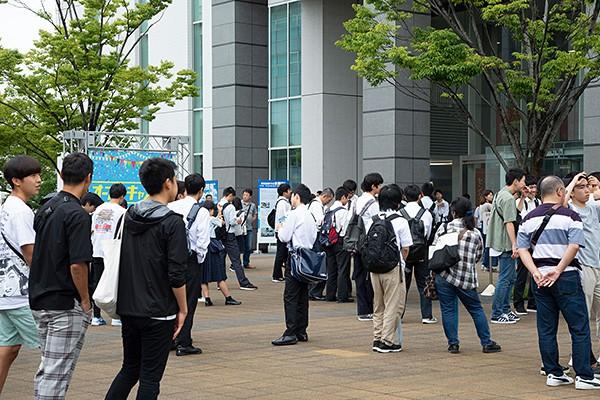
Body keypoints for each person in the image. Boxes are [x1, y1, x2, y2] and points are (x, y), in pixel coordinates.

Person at [105, 158, 188, 399]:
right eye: (174, 179)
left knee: (129, 369)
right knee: (150, 377)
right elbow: (176, 273)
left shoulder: (129, 215)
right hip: (158, 310)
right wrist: (183, 309)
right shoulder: (172, 223)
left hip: (129, 307)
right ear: (167, 183)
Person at [517, 175, 600, 389]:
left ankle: (553, 372)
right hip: (567, 276)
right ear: (561, 192)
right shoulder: (571, 216)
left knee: (546, 328)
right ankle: (584, 375)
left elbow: (522, 249)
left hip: (540, 278)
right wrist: (558, 269)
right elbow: (574, 246)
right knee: (579, 327)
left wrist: (535, 272)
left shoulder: (528, 218)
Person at [29, 152, 94, 399]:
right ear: (88, 178)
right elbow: (78, 265)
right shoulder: (77, 214)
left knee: (48, 368)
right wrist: (86, 300)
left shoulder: (47, 208)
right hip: (64, 303)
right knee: (57, 373)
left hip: (40, 297)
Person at [433, 197, 501, 354]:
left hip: (444, 275)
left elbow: (435, 250)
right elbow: (478, 255)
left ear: (453, 212)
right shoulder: (475, 233)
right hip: (466, 278)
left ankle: (453, 343)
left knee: (448, 310)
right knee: (476, 309)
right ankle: (486, 342)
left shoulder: (443, 228)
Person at [0, 156, 41, 394]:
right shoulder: (21, 211)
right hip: (22, 295)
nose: (38, 180)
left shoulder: (6, 208)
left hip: (6, 293)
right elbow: (30, 254)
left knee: (8, 348)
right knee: (53, 349)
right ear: (16, 181)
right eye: (32, 176)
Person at [167, 173, 210, 356]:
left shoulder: (170, 206)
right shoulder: (201, 211)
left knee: (170, 300)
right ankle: (184, 342)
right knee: (188, 302)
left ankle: (169, 339)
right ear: (201, 191)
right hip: (190, 261)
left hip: (169, 259)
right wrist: (198, 261)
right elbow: (203, 242)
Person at [271, 184, 317, 346]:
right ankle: (301, 330)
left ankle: (290, 332)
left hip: (295, 257)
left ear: (297, 196)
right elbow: (313, 236)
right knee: (303, 296)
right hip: (307, 257)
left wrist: (280, 227)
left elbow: (283, 237)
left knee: (290, 296)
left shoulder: (293, 214)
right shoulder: (310, 215)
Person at [369, 184, 412, 353]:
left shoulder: (373, 219)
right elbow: (406, 248)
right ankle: (387, 341)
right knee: (394, 305)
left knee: (378, 305)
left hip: (374, 267)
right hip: (393, 268)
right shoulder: (400, 221)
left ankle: (377, 337)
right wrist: (401, 262)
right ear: (397, 202)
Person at [565, 172, 600, 370]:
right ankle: (578, 357)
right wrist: (573, 182)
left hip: (598, 265)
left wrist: (597, 185)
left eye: (588, 186)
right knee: (583, 314)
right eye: (582, 187)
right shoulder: (569, 210)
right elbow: (559, 203)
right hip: (584, 267)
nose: (586, 190)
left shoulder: (594, 208)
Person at [488, 168, 526, 324]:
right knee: (506, 278)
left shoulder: (501, 194)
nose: (524, 184)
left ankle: (504, 309)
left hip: (499, 241)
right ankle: (497, 312)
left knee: (509, 277)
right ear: (516, 181)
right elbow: (509, 222)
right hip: (505, 243)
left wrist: (521, 198)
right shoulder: (508, 198)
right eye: (523, 180)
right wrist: (515, 244)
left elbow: (513, 214)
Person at [90, 183, 127, 327]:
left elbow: (92, 229)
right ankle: (116, 316)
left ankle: (96, 316)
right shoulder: (122, 211)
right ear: (122, 196)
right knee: (114, 282)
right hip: (112, 251)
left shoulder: (99, 209)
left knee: (97, 282)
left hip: (97, 248)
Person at [399, 185, 437, 324]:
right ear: (420, 196)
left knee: (403, 284)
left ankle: (399, 315)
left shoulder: (400, 213)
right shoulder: (426, 213)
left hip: (405, 252)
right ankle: (426, 316)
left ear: (404, 197)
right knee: (424, 283)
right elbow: (427, 234)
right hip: (421, 252)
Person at [354, 173, 384, 321]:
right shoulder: (373, 203)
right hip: (369, 242)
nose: (380, 188)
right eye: (379, 185)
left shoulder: (358, 200)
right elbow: (377, 224)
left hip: (357, 242)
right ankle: (369, 309)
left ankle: (362, 310)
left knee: (359, 276)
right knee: (369, 277)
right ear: (374, 186)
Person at [200, 201, 241, 306]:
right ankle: (228, 298)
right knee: (219, 275)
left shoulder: (200, 219)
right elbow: (221, 223)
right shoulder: (211, 218)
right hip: (213, 246)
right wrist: (220, 212)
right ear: (211, 210)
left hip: (203, 247)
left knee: (204, 276)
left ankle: (207, 299)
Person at [219, 188, 257, 290]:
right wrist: (238, 220)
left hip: (221, 235)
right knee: (236, 259)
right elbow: (232, 222)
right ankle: (243, 282)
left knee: (221, 259)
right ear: (230, 195)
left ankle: (221, 282)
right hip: (230, 235)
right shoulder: (230, 206)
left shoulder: (219, 204)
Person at [513, 175, 540, 315]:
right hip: (523, 241)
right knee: (522, 273)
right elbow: (517, 213)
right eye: (531, 187)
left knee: (535, 271)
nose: (533, 190)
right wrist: (523, 197)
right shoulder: (520, 201)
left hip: (535, 241)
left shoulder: (538, 201)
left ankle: (532, 301)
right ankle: (518, 303)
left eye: (535, 187)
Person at [325, 187, 352, 303]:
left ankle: (330, 294)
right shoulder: (344, 212)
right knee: (343, 269)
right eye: (347, 198)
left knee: (331, 269)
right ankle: (342, 295)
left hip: (329, 242)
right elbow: (346, 228)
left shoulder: (328, 210)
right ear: (343, 197)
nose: (348, 201)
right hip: (340, 241)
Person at [308, 188, 334, 300]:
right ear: (325, 196)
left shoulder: (313, 204)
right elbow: (320, 221)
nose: (329, 202)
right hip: (317, 237)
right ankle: (315, 292)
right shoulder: (317, 206)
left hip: (313, 237)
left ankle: (312, 291)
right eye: (329, 199)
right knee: (320, 264)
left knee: (315, 264)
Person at [272, 183, 292, 282]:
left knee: (282, 253)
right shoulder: (282, 203)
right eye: (289, 190)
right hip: (282, 231)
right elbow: (282, 218)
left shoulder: (283, 202)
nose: (290, 192)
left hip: (281, 230)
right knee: (281, 253)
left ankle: (278, 274)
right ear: (285, 192)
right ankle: (276, 275)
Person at [475, 190, 493, 271]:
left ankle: (484, 263)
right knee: (488, 246)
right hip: (487, 225)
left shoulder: (481, 206)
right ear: (486, 197)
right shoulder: (487, 205)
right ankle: (486, 264)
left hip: (483, 225)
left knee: (486, 245)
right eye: (490, 195)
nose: (491, 196)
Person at [241, 189, 257, 269]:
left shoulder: (253, 205)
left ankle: (246, 263)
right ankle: (235, 264)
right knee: (239, 246)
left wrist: (251, 220)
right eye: (244, 195)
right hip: (240, 229)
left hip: (249, 228)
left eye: (246, 195)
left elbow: (255, 214)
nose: (245, 196)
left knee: (249, 246)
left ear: (250, 196)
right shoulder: (239, 203)